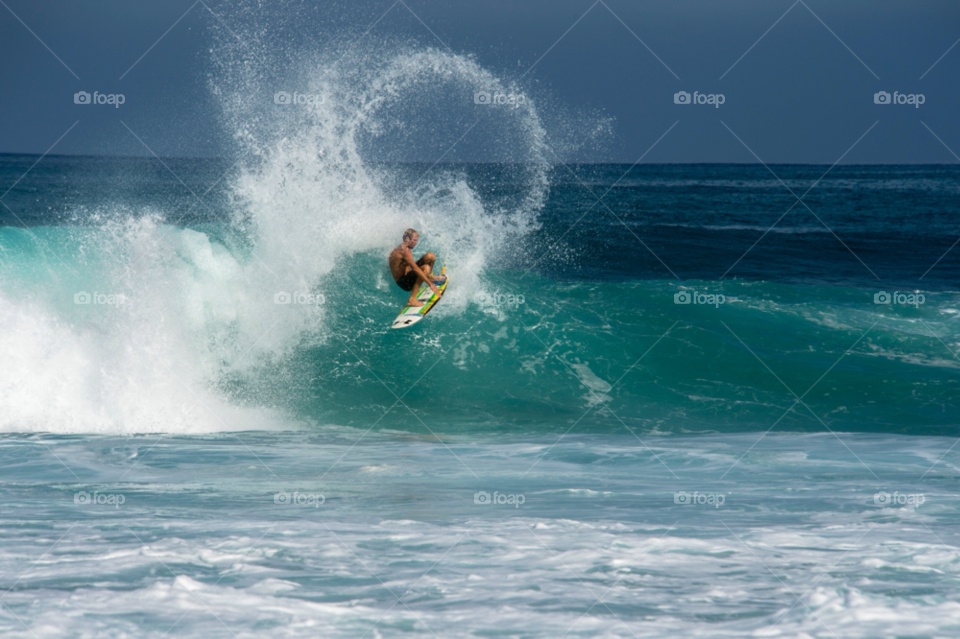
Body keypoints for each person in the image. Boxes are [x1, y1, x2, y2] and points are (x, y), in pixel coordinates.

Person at [389, 228, 440, 307]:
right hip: (404, 282)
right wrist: (431, 285)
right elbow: (416, 269)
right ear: (407, 239)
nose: (416, 243)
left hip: (408, 274)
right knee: (425, 268)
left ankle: (429, 276)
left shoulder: (405, 247)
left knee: (430, 256)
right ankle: (411, 300)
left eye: (417, 240)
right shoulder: (404, 251)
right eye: (414, 240)